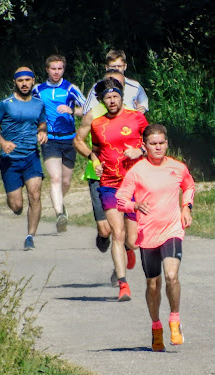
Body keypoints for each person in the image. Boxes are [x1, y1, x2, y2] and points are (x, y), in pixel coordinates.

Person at [117, 124, 195, 351]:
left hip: (172, 229)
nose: (158, 147)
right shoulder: (137, 171)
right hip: (147, 234)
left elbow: (189, 185)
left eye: (162, 143)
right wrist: (135, 204)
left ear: (167, 144)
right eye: (153, 144)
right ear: (145, 146)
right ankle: (156, 327)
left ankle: (174, 320)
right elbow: (121, 199)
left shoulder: (177, 167)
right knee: (153, 285)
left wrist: (186, 207)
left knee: (171, 276)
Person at [74, 78, 148, 302]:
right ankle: (123, 284)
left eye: (116, 96)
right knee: (117, 233)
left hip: (134, 184)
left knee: (133, 241)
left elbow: (157, 143)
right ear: (102, 100)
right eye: (108, 97)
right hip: (109, 183)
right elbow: (82, 142)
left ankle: (127, 252)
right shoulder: (96, 121)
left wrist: (141, 150)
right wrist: (93, 158)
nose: (112, 100)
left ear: (121, 96)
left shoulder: (136, 117)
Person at [0, 67, 47, 251]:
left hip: (31, 156)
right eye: (20, 81)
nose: (24, 84)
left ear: (33, 81)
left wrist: (42, 132)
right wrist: (2, 142)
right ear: (15, 82)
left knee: (35, 195)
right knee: (17, 206)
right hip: (10, 160)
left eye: (27, 80)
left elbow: (42, 122)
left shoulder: (38, 103)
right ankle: (16, 205)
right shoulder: (6, 103)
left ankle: (30, 236)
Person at [32, 54, 86, 233]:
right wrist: (38, 130)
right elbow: (30, 110)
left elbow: (88, 110)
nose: (56, 72)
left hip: (69, 139)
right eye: (53, 69)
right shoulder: (38, 90)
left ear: (63, 69)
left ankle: (60, 203)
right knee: (55, 178)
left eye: (60, 69)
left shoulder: (71, 88)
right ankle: (59, 214)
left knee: (66, 181)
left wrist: (72, 110)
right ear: (47, 69)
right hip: (50, 139)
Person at [81, 69, 129, 254]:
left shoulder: (132, 115)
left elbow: (147, 140)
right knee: (106, 229)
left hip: (125, 175)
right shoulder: (93, 115)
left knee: (122, 229)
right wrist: (92, 157)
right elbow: (78, 140)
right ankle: (102, 237)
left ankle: (121, 264)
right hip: (98, 175)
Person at [83, 49, 148, 114]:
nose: (117, 69)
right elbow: (87, 110)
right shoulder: (98, 87)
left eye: (119, 66)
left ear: (125, 66)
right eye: (113, 66)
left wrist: (142, 108)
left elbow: (143, 104)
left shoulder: (135, 86)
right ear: (106, 67)